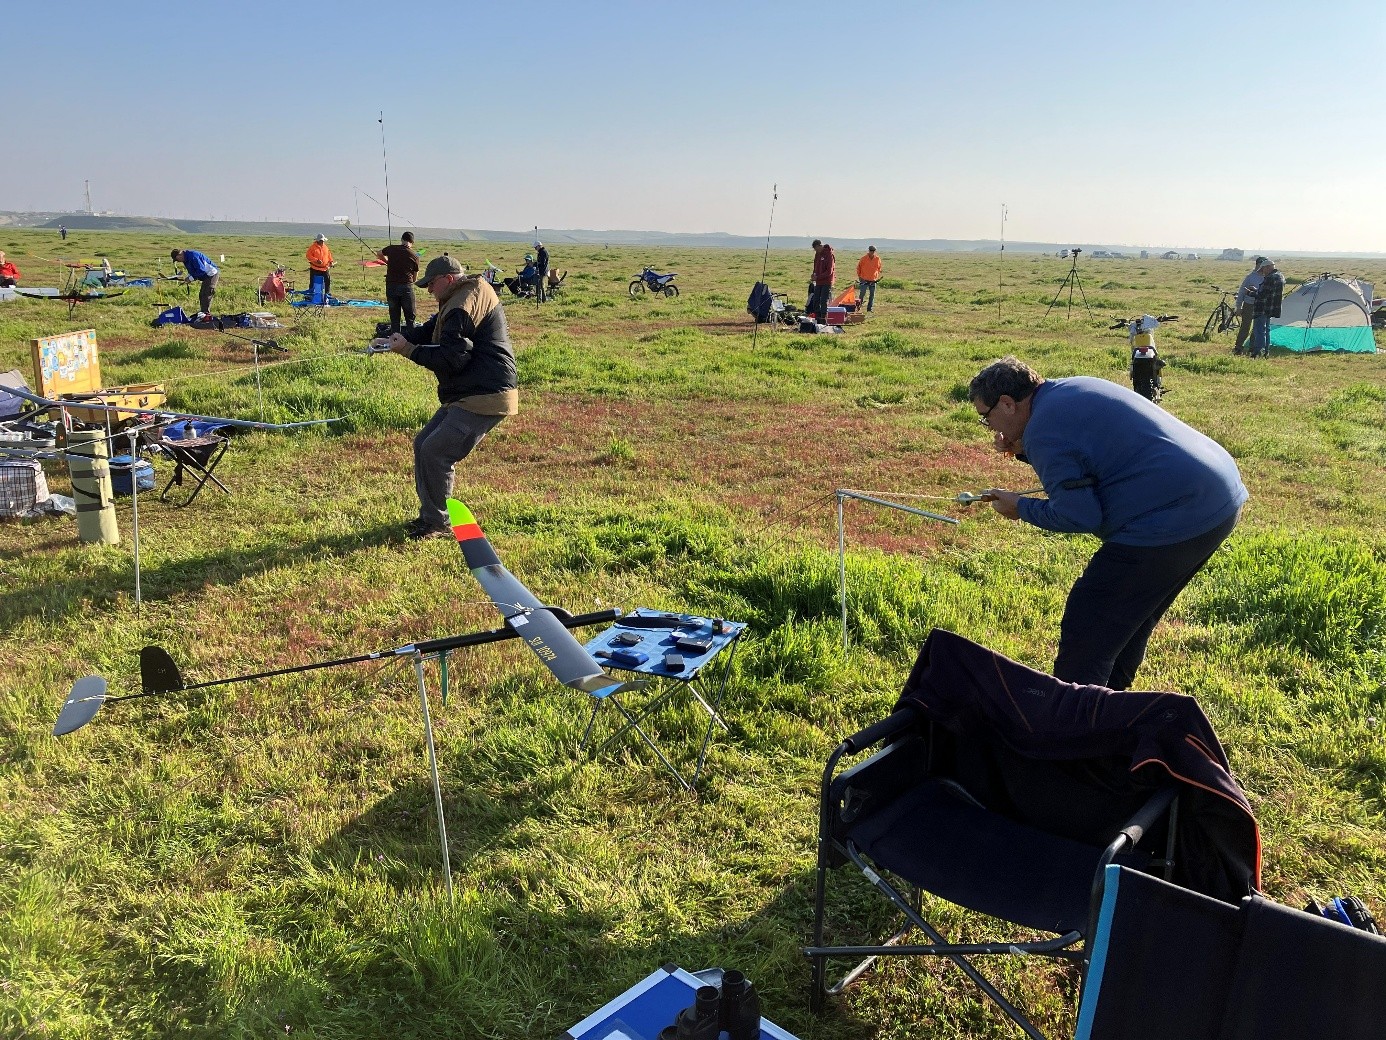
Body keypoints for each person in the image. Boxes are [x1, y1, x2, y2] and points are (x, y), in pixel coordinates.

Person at [970, 356, 1246, 690]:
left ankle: (1075, 714)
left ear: (1007, 403)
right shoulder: (1069, 389)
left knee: (1091, 620)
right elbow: (1083, 452)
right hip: (1217, 496)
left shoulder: (1043, 431)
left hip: (1173, 515)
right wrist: (1021, 448)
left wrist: (1020, 508)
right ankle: (1109, 703)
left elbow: (1079, 515)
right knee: (1128, 618)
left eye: (986, 417)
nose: (990, 428)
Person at [384, 255, 518, 540]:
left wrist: (408, 349)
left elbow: (451, 359)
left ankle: (438, 524)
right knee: (423, 444)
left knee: (436, 451)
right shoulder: (460, 296)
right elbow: (431, 331)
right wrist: (393, 338)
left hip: (486, 395)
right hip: (469, 392)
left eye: (431, 284)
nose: (429, 290)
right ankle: (430, 518)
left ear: (447, 279)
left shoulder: (462, 304)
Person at [376, 231, 420, 334]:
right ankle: (411, 338)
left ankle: (395, 337)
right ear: (412, 242)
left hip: (391, 286)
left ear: (402, 240)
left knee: (394, 317)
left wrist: (387, 261)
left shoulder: (391, 249)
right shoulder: (414, 255)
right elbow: (415, 278)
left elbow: (379, 253)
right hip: (406, 287)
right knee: (410, 317)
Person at [1249, 258, 1284, 359]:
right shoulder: (1279, 276)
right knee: (1266, 330)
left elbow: (1262, 295)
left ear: (1268, 268)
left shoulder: (1270, 278)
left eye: (1263, 269)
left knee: (1259, 330)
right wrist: (1257, 290)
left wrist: (1250, 293)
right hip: (1271, 308)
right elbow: (1268, 292)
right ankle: (1266, 351)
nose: (1262, 272)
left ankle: (1258, 352)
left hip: (1262, 308)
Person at [169, 247, 220, 317]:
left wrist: (190, 278)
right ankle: (203, 313)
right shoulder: (186, 259)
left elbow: (201, 270)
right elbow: (192, 271)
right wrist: (188, 277)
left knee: (207, 292)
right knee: (202, 294)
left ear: (179, 255)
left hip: (212, 274)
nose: (178, 261)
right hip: (206, 276)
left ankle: (206, 314)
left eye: (176, 259)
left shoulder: (193, 256)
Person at [1232, 256, 1266, 355]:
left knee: (1257, 327)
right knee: (1245, 326)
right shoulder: (1250, 277)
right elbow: (1242, 292)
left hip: (1261, 305)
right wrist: (1239, 307)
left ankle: (1253, 347)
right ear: (1258, 265)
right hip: (1249, 304)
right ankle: (1238, 347)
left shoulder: (1267, 277)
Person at [809, 240, 835, 323]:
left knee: (823, 300)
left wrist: (818, 277)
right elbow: (815, 266)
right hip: (818, 281)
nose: (816, 251)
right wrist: (814, 274)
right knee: (816, 299)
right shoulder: (817, 254)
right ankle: (817, 317)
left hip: (827, 281)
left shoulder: (829, 255)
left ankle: (824, 318)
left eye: (816, 249)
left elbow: (829, 271)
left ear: (820, 246)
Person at [306, 234, 334, 299]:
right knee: (313, 282)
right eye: (321, 241)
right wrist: (316, 260)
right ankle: (311, 295)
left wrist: (331, 261)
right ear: (318, 241)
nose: (322, 242)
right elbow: (308, 256)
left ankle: (327, 294)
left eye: (323, 241)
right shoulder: (312, 247)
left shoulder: (325, 247)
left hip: (325, 268)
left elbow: (329, 255)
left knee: (327, 281)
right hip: (315, 268)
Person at [856, 245, 882, 312]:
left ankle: (869, 309)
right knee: (862, 294)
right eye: (871, 250)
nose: (872, 252)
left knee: (872, 295)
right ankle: (858, 308)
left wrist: (876, 276)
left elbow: (879, 268)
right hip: (864, 279)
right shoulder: (863, 259)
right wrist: (860, 277)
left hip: (873, 280)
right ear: (868, 250)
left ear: (875, 251)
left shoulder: (877, 259)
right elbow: (858, 268)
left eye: (873, 251)